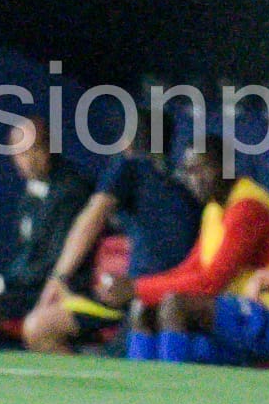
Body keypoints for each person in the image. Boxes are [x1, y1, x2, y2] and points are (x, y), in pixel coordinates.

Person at [96, 146, 269, 366]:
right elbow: (191, 269)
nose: (195, 179)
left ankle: (172, 382)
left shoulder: (249, 207)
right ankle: (143, 384)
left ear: (227, 167)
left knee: (174, 306)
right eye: (189, 171)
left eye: (202, 169)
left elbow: (210, 282)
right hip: (248, 315)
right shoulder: (214, 208)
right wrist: (139, 289)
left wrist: (136, 288)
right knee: (143, 308)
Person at [21, 109, 202, 355]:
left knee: (38, 327)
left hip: (138, 297)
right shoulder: (187, 180)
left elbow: (92, 218)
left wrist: (59, 278)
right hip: (180, 301)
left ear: (127, 142)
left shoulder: (128, 167)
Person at [0, 118, 93, 343]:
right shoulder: (30, 197)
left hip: (60, 290)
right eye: (21, 153)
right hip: (31, 287)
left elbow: (53, 260)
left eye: (35, 150)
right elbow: (28, 255)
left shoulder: (72, 191)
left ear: (51, 149)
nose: (28, 160)